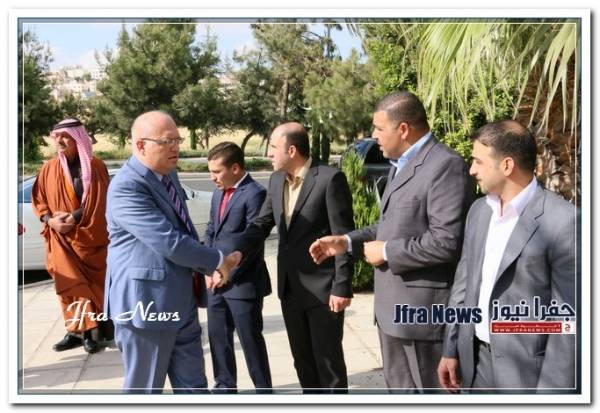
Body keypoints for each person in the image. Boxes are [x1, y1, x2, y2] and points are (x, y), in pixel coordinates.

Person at [310, 91, 474, 392]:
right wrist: (347, 241)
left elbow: (447, 241)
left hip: (421, 320)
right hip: (391, 315)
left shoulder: (445, 165)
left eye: (379, 128)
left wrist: (387, 251)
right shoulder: (400, 165)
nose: (373, 136)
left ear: (403, 129)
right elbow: (391, 226)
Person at [104, 111, 241, 394]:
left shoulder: (168, 174)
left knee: (194, 388)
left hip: (181, 300)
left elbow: (184, 228)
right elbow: (168, 241)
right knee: (145, 390)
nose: (176, 147)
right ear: (141, 145)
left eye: (177, 140)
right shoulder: (126, 186)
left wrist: (201, 268)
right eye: (167, 142)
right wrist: (217, 261)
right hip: (146, 306)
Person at [437, 120, 577, 392]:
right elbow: (464, 286)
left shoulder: (564, 222)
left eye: (478, 161)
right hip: (475, 365)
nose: (471, 170)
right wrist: (451, 348)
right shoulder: (479, 211)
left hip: (528, 377)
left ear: (507, 165)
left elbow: (569, 323)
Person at [239, 122, 354, 393]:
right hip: (291, 289)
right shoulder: (276, 180)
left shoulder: (329, 179)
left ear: (292, 150)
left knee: (328, 364)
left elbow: (344, 237)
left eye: (273, 147)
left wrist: (342, 286)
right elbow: (262, 223)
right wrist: (234, 253)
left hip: (324, 291)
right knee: (302, 362)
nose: (268, 154)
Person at [31, 118, 112, 354]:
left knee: (91, 286)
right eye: (56, 137)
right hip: (60, 239)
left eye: (65, 136)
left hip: (89, 238)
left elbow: (101, 201)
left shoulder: (96, 166)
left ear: (78, 138)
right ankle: (76, 332)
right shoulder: (49, 168)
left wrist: (73, 218)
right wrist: (51, 221)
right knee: (70, 285)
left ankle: (92, 334)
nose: (59, 141)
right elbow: (39, 201)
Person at [204, 142, 272, 393]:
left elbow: (253, 241)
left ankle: (263, 390)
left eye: (217, 172)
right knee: (218, 338)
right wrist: (208, 269)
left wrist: (228, 271)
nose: (212, 178)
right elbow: (211, 230)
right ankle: (224, 386)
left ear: (235, 168)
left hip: (243, 283)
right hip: (215, 282)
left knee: (250, 341)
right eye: (210, 172)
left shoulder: (255, 193)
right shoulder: (218, 193)